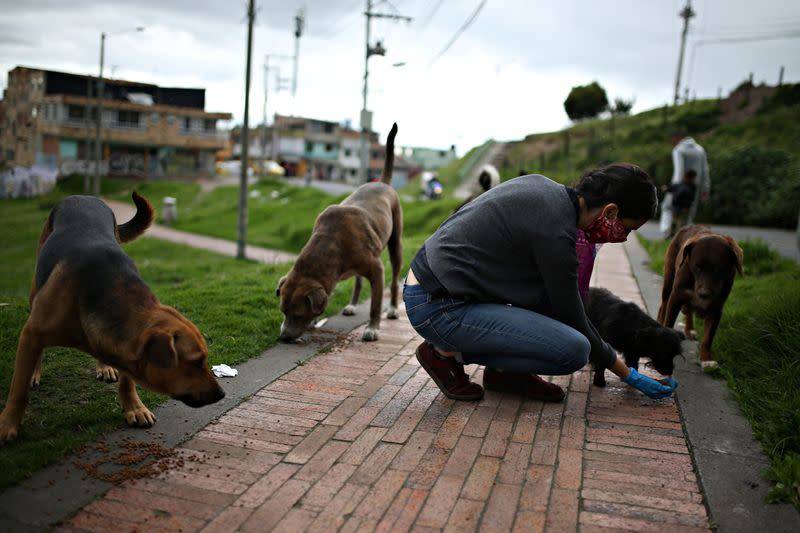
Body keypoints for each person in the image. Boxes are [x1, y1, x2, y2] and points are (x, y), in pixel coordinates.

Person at [403, 163, 678, 402]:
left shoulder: (548, 190)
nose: (624, 237)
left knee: (543, 302)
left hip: (430, 285)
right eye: (627, 229)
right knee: (574, 349)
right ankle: (443, 354)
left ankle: (506, 374)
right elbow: (574, 318)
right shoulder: (556, 233)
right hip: (437, 305)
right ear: (610, 212)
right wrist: (629, 375)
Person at [659, 134, 710, 238]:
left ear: (677, 138)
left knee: (667, 207)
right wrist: (706, 189)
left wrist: (675, 189)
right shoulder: (700, 149)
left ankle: (667, 232)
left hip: (680, 186)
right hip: (695, 187)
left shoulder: (678, 150)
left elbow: (679, 171)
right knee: (689, 211)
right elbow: (705, 170)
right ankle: (685, 235)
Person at [662, 170, 697, 237]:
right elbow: (670, 188)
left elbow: (691, 199)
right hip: (676, 206)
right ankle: (671, 235)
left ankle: (679, 236)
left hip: (684, 208)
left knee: (681, 224)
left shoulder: (692, 187)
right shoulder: (680, 185)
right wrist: (666, 188)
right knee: (674, 222)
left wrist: (687, 207)